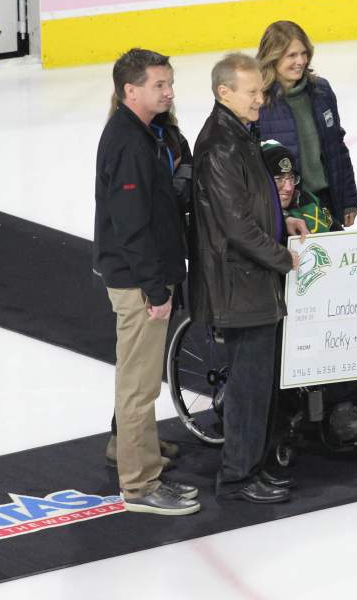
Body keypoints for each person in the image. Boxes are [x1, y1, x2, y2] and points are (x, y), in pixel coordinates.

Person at [190, 53, 307, 504]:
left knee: (258, 384)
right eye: (253, 92)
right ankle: (238, 476)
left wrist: (284, 223)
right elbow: (236, 225)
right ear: (225, 93)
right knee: (247, 387)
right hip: (241, 284)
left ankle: (251, 467)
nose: (261, 99)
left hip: (251, 280)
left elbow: (252, 206)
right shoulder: (221, 144)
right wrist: (280, 256)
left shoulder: (238, 132)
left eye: (261, 90)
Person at [93, 49, 200, 515]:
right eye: (159, 84)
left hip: (144, 273)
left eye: (169, 82)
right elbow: (131, 224)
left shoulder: (143, 134)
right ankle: (139, 486)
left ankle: (139, 457)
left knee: (139, 381)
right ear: (129, 90)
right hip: (139, 280)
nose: (169, 91)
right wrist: (154, 289)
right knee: (139, 387)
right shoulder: (129, 143)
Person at [260, 139, 357, 441]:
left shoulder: (309, 203)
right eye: (278, 179)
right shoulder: (256, 218)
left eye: (291, 178)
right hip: (281, 306)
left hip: (324, 296)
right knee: (327, 328)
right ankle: (340, 408)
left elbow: (340, 243)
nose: (287, 187)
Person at [256, 21, 357, 229]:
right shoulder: (258, 102)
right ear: (273, 56)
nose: (300, 61)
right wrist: (279, 213)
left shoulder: (321, 90)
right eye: (291, 55)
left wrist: (348, 200)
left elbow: (337, 148)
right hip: (287, 207)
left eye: (304, 54)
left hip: (327, 201)